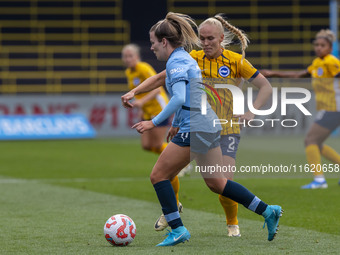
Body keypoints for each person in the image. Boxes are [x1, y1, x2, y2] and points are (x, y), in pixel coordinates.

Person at [122, 12, 282, 246]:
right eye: (202, 38)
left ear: (164, 42)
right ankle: (268, 211)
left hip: (203, 126)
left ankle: (178, 227)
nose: (205, 43)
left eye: (153, 43)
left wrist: (153, 122)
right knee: (217, 183)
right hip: (208, 125)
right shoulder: (191, 58)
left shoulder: (184, 60)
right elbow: (187, 94)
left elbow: (178, 98)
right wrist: (172, 120)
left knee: (159, 176)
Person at [261, 29, 340, 189]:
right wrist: (273, 73)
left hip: (334, 107)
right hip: (328, 108)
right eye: (316, 45)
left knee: (310, 140)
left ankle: (319, 180)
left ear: (330, 48)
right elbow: (299, 75)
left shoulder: (331, 61)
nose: (318, 48)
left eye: (322, 45)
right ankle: (319, 179)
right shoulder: (317, 63)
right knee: (316, 143)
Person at [122, 44, 182, 209]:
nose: (127, 59)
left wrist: (141, 102)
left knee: (156, 144)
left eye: (130, 56)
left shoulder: (143, 68)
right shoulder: (129, 72)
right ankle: (176, 160)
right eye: (125, 56)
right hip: (148, 112)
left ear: (137, 56)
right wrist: (142, 110)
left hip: (159, 108)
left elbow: (157, 88)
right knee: (147, 146)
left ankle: (177, 162)